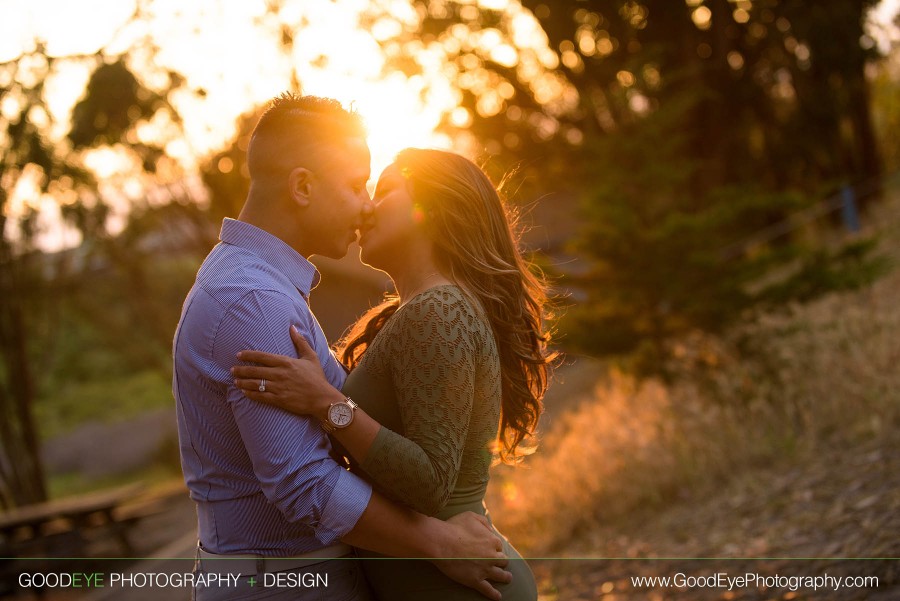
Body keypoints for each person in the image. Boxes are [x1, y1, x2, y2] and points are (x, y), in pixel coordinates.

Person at [172, 95, 511, 601]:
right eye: (356, 185)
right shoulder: (253, 300)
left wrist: (334, 406)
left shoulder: (266, 288)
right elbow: (303, 483)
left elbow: (341, 404)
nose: (366, 205)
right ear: (303, 187)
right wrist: (440, 542)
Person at [231, 148, 555, 600]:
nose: (365, 208)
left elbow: (430, 485)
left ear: (430, 209)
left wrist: (327, 404)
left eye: (383, 192)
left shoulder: (439, 312)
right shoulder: (421, 311)